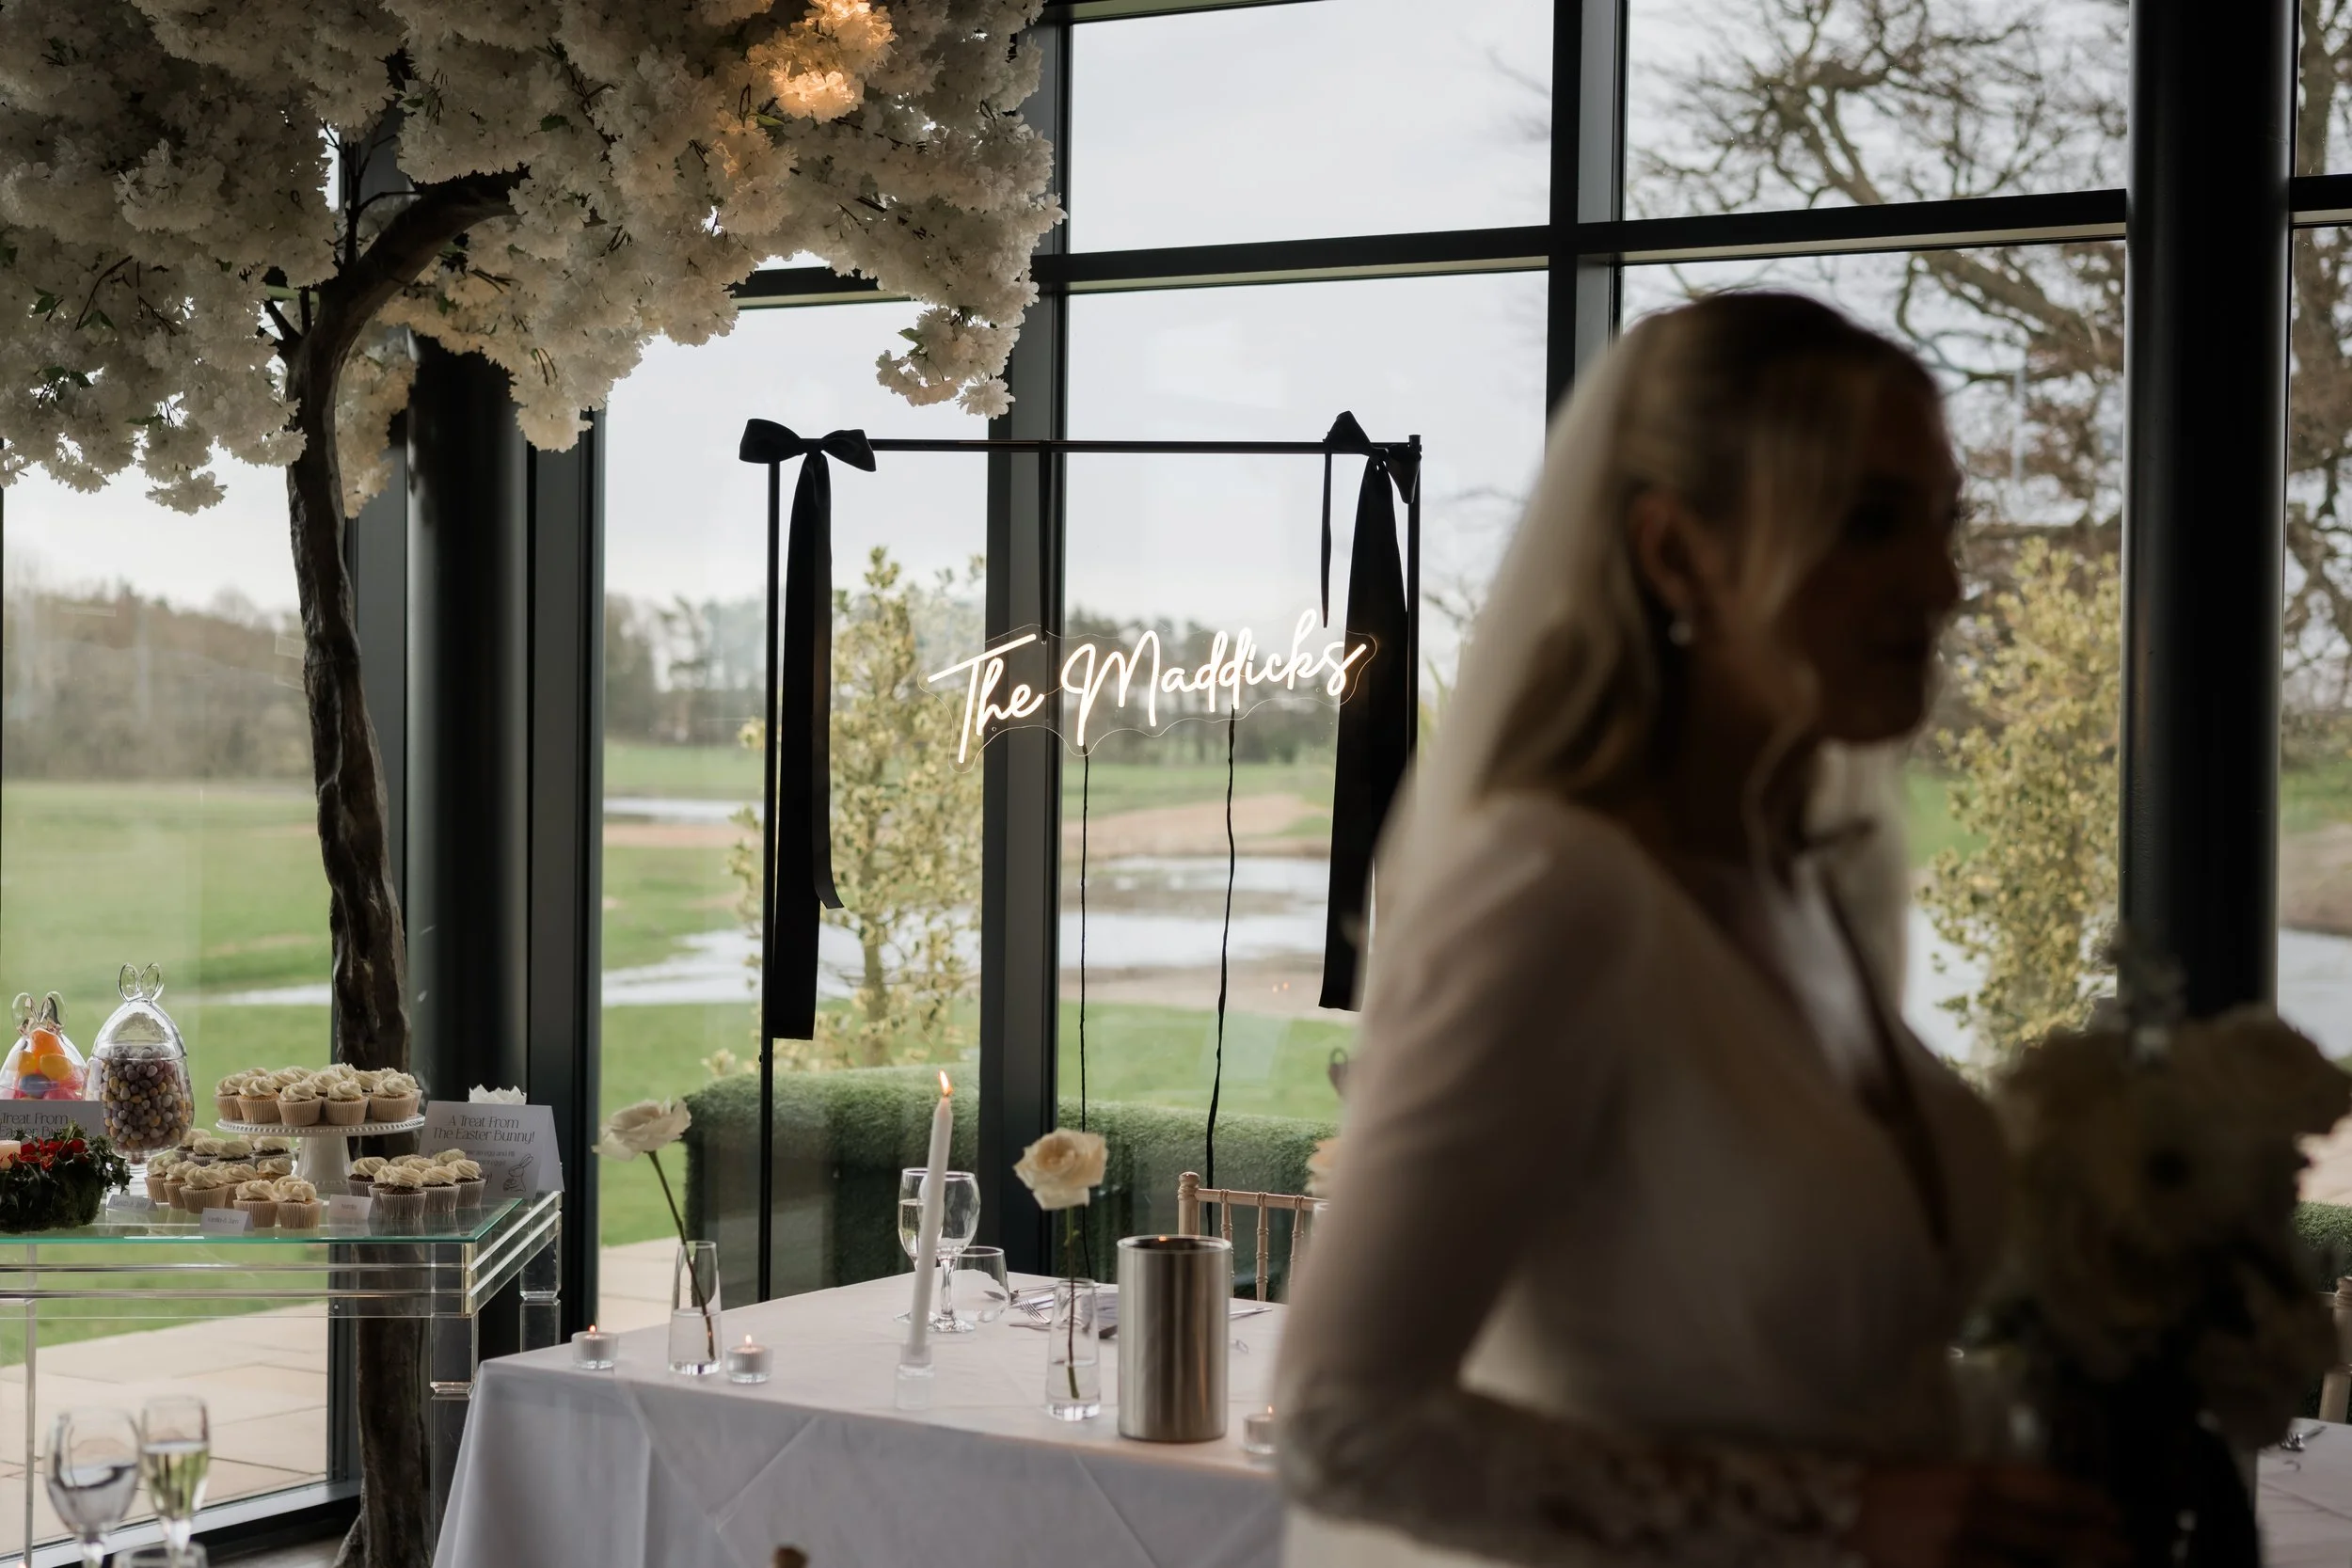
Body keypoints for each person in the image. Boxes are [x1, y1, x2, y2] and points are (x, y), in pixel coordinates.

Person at [1276, 293, 2119, 1568]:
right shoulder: (1553, 890)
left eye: (1943, 523)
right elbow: (1343, 1423)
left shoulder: (1796, 890)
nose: (1944, 585)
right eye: (1868, 521)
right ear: (1676, 554)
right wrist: (1837, 1518)